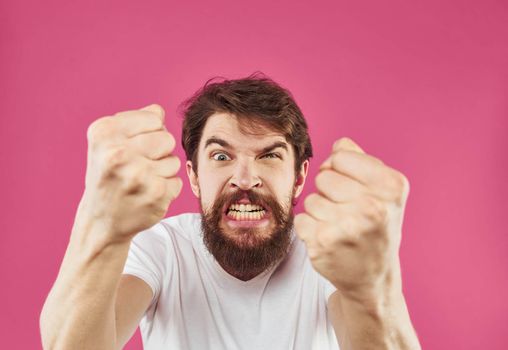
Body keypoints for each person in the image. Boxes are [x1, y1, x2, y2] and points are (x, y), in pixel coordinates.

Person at [40, 73, 422, 350]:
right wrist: (102, 226)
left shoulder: (326, 256)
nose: (244, 178)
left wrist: (370, 290)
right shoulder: (161, 249)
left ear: (299, 177)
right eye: (221, 156)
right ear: (193, 176)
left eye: (269, 156)